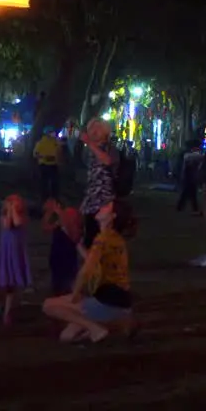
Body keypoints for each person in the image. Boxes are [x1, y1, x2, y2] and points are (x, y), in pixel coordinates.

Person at [42, 199, 138, 343]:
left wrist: (74, 296)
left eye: (107, 207)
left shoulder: (102, 239)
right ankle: (116, 323)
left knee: (48, 306)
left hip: (107, 301)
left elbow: (86, 271)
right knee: (67, 336)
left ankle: (97, 329)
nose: (102, 207)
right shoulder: (116, 239)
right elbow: (96, 262)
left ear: (112, 216)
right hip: (120, 300)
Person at [0, 195, 33, 325]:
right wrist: (9, 210)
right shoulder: (3, 216)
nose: (15, 205)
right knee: (0, 280)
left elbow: (18, 222)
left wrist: (13, 210)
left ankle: (7, 312)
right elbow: (7, 225)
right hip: (5, 252)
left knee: (11, 282)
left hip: (15, 253)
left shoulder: (23, 217)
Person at [79, 119, 120, 249]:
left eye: (97, 128)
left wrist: (90, 143)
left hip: (105, 199)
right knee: (89, 237)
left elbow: (107, 161)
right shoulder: (89, 151)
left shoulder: (109, 148)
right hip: (92, 199)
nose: (93, 131)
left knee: (103, 237)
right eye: (91, 128)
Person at [42, 200, 82, 297]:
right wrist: (50, 214)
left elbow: (73, 234)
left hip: (68, 253)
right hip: (57, 253)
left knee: (69, 278)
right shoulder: (55, 217)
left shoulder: (70, 213)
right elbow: (46, 228)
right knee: (57, 281)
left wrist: (60, 214)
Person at [33, 126, 63, 201]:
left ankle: (53, 197)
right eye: (51, 132)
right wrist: (44, 157)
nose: (53, 133)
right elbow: (35, 154)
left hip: (53, 164)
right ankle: (45, 198)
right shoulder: (41, 142)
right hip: (45, 165)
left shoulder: (55, 141)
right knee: (45, 182)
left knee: (53, 183)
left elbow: (59, 152)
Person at [176, 139, 203, 214]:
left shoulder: (187, 154)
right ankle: (193, 208)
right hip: (190, 176)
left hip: (188, 176)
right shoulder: (191, 155)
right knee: (190, 192)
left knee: (188, 192)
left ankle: (183, 207)